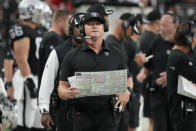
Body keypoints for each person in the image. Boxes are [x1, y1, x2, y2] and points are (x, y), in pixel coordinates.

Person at [58, 11, 133, 131]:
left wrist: (127, 92)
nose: (94, 26)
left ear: (104, 28)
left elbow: (128, 78)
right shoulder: (71, 56)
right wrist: (65, 93)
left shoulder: (116, 54)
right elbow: (62, 86)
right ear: (83, 28)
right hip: (81, 116)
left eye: (98, 23)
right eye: (90, 24)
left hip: (108, 116)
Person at [39, 13, 85, 131]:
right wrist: (44, 110)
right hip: (65, 109)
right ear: (70, 29)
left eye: (85, 26)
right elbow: (46, 81)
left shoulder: (94, 50)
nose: (82, 30)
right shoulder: (59, 51)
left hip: (88, 110)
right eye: (78, 27)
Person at [137, 12, 178, 131]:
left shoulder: (183, 43)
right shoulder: (157, 40)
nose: (161, 29)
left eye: (164, 25)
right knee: (159, 127)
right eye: (160, 25)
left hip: (176, 96)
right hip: (157, 94)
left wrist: (172, 76)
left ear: (175, 25)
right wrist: (141, 74)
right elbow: (147, 65)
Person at [9, 0, 45, 130]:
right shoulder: (21, 29)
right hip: (26, 77)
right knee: (24, 123)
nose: (41, 15)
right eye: (38, 11)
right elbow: (21, 59)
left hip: (36, 76)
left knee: (36, 122)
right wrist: (29, 81)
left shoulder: (39, 29)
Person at [167, 21, 196, 131]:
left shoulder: (177, 55)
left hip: (182, 113)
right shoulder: (180, 58)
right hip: (183, 115)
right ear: (189, 39)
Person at [38, 9, 72, 89]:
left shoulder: (55, 38)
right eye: (69, 23)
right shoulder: (53, 39)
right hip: (51, 92)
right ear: (60, 20)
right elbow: (52, 70)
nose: (71, 27)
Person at [139, 9, 161, 131]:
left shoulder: (145, 37)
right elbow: (149, 63)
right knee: (153, 121)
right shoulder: (153, 39)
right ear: (157, 22)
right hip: (150, 84)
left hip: (146, 83)